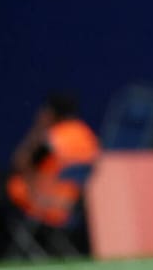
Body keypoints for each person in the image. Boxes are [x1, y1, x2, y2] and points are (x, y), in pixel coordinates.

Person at [6, 92, 100, 254]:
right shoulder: (87, 135)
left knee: (6, 188)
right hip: (74, 206)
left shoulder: (53, 137)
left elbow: (21, 163)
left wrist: (37, 130)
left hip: (44, 200)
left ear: (51, 113)